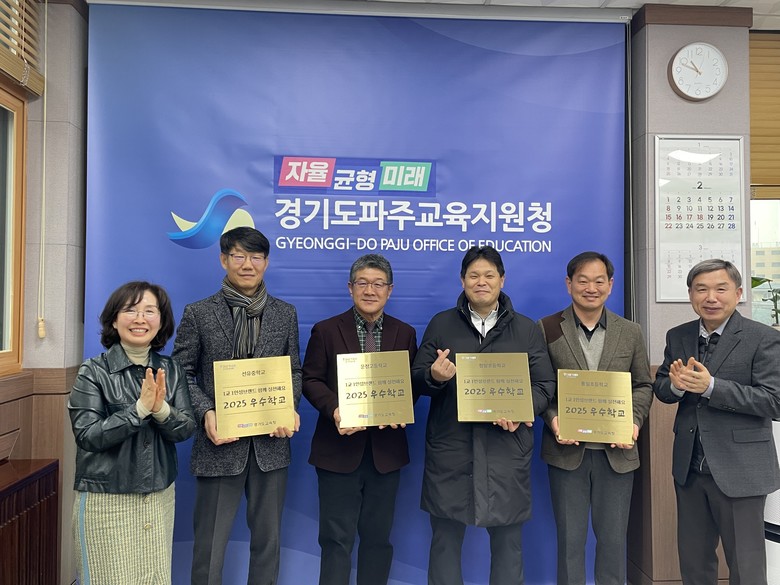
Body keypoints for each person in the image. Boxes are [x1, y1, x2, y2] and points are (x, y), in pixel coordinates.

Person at [411, 245, 555, 585]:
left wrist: (521, 410)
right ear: (462, 281)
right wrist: (434, 376)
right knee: (445, 542)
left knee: (508, 544)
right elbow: (416, 378)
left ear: (502, 280)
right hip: (452, 449)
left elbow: (545, 385)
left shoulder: (525, 329)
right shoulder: (442, 323)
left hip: (505, 449)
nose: (481, 282)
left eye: (489, 275)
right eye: (474, 275)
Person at [172, 227, 302, 585]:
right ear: (223, 260)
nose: (248, 264)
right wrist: (205, 412)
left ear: (266, 262)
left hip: (271, 447)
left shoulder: (285, 313)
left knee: (268, 544)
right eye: (239, 256)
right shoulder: (199, 313)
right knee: (209, 546)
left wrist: (288, 406)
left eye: (256, 257)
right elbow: (181, 372)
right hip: (218, 445)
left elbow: (293, 369)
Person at [654, 258, 780, 585]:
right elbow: (662, 387)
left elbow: (773, 401)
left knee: (746, 568)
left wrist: (712, 387)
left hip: (741, 469)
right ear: (690, 295)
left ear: (738, 293)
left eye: (720, 289)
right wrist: (676, 386)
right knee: (694, 565)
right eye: (701, 289)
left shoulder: (763, 337)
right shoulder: (678, 335)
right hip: (690, 468)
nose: (711, 297)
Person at [68, 281, 196, 584]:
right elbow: (88, 435)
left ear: (161, 321)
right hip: (106, 499)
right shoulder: (93, 371)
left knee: (153, 578)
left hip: (158, 497)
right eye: (131, 310)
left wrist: (160, 409)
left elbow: (185, 428)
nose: (140, 319)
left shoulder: (171, 370)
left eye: (150, 311)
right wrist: (138, 410)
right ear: (114, 320)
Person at [537, 251, 653, 585]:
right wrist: (554, 420)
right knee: (570, 542)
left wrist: (633, 423)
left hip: (617, 455)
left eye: (599, 281)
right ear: (569, 283)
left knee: (613, 542)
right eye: (583, 280)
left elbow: (642, 385)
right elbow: (541, 385)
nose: (591, 288)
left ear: (610, 285)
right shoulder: (546, 328)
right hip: (567, 452)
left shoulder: (630, 331)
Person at [302, 253, 418, 585]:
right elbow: (310, 379)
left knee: (378, 541)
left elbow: (410, 384)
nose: (370, 290)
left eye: (378, 284)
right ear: (350, 287)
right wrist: (335, 409)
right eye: (363, 283)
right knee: (335, 541)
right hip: (337, 451)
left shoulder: (405, 333)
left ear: (390, 290)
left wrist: (400, 408)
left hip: (386, 453)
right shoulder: (326, 330)